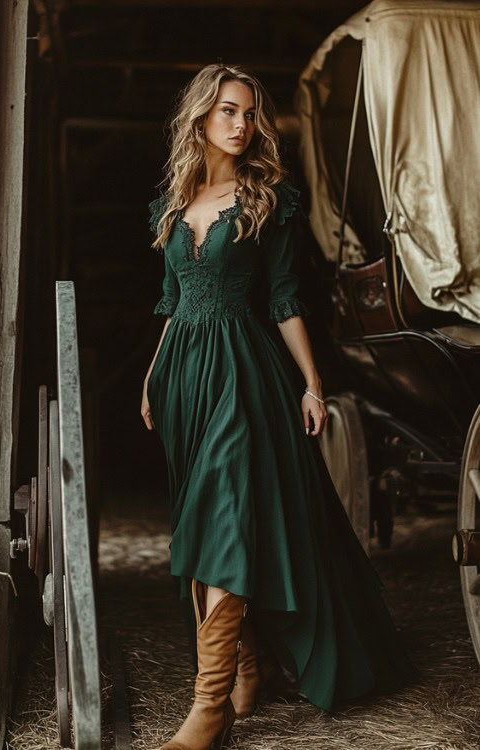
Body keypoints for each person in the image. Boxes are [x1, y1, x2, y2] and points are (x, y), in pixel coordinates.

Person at [141, 63, 419, 750]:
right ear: (201, 116)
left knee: (228, 508)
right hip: (185, 379)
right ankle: (246, 663)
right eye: (230, 111)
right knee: (205, 520)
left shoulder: (270, 199)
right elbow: (174, 305)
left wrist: (312, 383)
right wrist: (152, 376)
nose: (243, 124)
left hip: (244, 371)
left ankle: (209, 707)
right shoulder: (175, 203)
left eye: (250, 114)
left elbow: (287, 299)